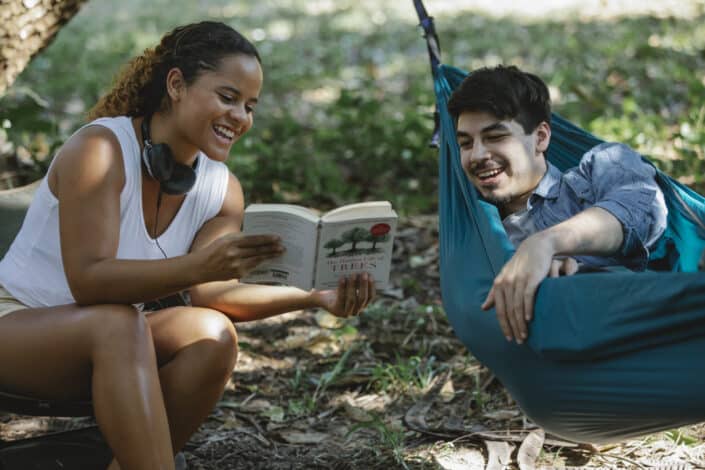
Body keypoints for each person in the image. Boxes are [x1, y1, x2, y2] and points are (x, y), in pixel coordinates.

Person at [0, 21, 374, 470]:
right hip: (18, 325)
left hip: (116, 344)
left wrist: (314, 296)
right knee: (119, 324)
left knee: (212, 335)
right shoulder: (100, 150)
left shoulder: (221, 189)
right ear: (176, 84)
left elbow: (214, 295)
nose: (241, 117)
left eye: (251, 106)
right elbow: (89, 282)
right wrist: (197, 266)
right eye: (228, 97)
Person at [446, 65, 668, 346]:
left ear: (541, 137)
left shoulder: (603, 166)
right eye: (465, 143)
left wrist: (546, 243)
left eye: (495, 137)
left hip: (637, 346)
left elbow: (640, 212)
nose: (477, 155)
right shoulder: (473, 227)